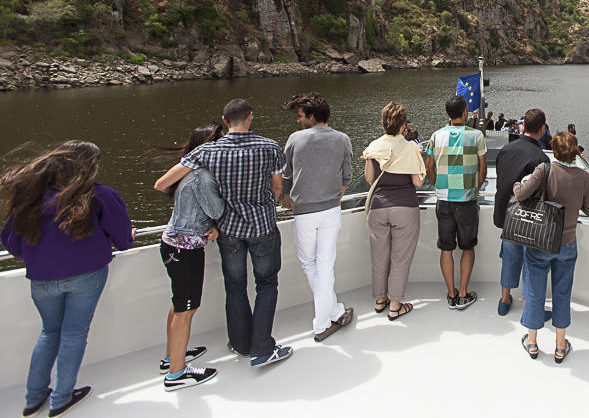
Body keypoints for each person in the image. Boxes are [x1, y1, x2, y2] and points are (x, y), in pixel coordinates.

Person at [154, 99, 291, 368]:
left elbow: (163, 183)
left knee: (235, 287)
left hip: (228, 231)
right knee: (266, 284)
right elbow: (277, 186)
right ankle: (262, 348)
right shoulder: (270, 147)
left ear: (225, 121)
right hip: (262, 227)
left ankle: (240, 344)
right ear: (250, 117)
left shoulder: (207, 151)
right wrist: (265, 205)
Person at [1, 141, 134, 417]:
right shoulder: (100, 197)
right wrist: (126, 238)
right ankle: (61, 399)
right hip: (86, 277)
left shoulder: (30, 201)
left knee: (49, 332)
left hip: (42, 280)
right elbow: (123, 241)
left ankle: (33, 398)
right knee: (74, 334)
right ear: (89, 167)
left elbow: (13, 245)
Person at [152, 124, 226, 391]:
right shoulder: (203, 177)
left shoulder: (189, 173)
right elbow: (216, 208)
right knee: (187, 309)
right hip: (186, 250)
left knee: (178, 304)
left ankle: (172, 355)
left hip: (172, 245)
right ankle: (176, 374)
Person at [513, 132, 589, 362]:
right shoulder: (583, 177)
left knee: (534, 291)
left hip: (541, 240)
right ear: (575, 152)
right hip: (568, 243)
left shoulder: (544, 170)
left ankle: (532, 342)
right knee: (562, 293)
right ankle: (560, 346)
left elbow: (521, 194)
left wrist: (517, 184)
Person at [280, 93, 354, 342]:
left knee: (309, 263)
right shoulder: (342, 139)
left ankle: (322, 323)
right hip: (331, 210)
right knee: (325, 264)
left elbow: (286, 175)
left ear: (312, 116)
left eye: (300, 116)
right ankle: (332, 309)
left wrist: (286, 198)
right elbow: (346, 177)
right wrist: (333, 197)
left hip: (304, 213)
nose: (298, 121)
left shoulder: (294, 140)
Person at [361, 102, 427, 320]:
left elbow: (370, 179)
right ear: (403, 126)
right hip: (405, 207)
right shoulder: (411, 148)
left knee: (378, 257)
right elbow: (417, 182)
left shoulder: (373, 147)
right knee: (400, 259)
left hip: (378, 207)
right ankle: (395, 305)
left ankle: (380, 300)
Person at [425, 94, 487, 310]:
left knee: (446, 248)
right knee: (468, 247)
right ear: (465, 112)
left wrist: (437, 186)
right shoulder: (476, 136)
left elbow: (429, 167)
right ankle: (463, 293)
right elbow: (483, 168)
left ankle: (450, 294)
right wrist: (475, 189)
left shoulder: (436, 136)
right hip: (467, 199)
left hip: (443, 200)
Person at [493, 108, 550, 316]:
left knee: (508, 258)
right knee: (530, 263)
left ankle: (504, 299)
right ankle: (529, 305)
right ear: (542, 129)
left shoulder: (506, 149)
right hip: (528, 219)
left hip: (506, 216)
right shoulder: (541, 158)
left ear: (523, 126)